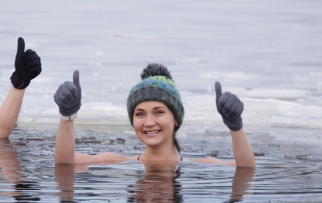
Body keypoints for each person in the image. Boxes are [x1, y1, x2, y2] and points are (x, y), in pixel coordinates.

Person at [52, 63, 256, 167]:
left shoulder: (201, 166)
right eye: (140, 114)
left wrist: (235, 126)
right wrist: (67, 116)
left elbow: (246, 168)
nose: (149, 122)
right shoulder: (118, 161)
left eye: (159, 112)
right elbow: (65, 162)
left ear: (176, 118)